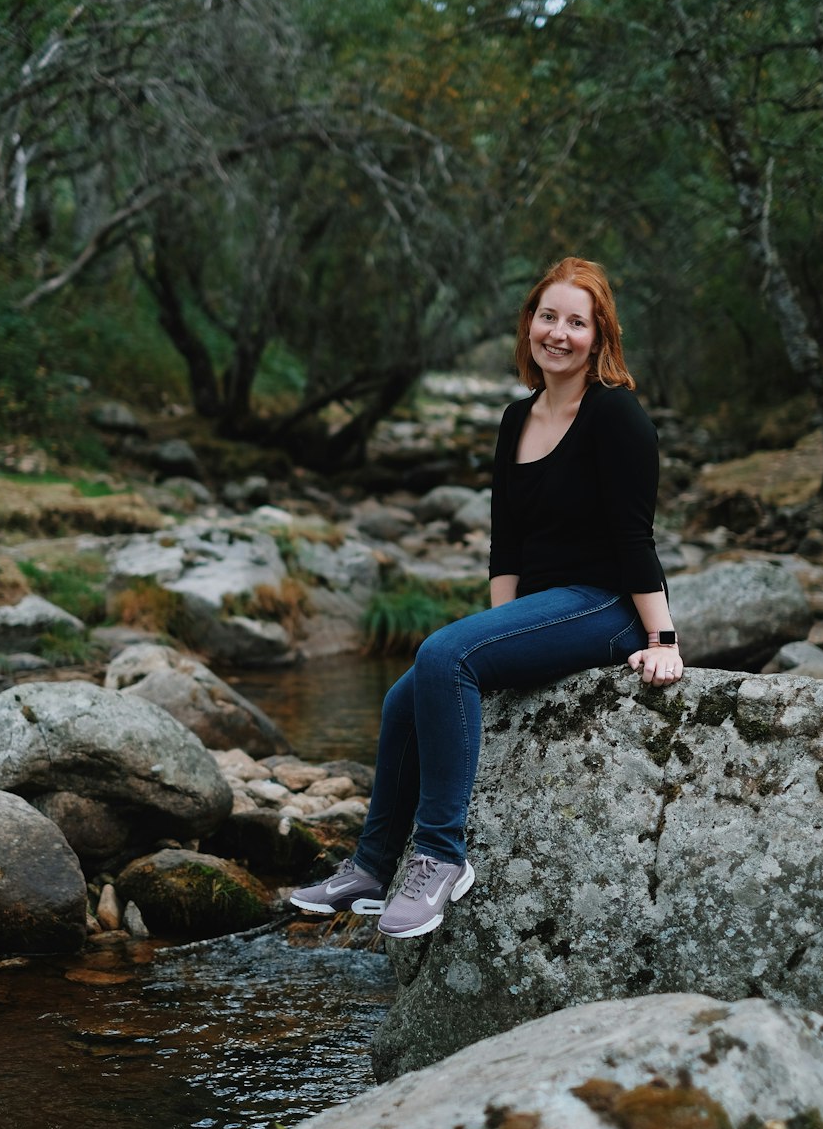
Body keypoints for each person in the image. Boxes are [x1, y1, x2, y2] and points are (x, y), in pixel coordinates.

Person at [289, 256, 683, 940]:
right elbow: (508, 544)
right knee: (407, 692)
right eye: (547, 316)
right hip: (547, 605)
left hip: (606, 606)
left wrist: (663, 642)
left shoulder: (617, 417)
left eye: (576, 322)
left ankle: (441, 855)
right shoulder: (516, 418)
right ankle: (372, 868)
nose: (558, 333)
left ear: (601, 335)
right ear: (529, 322)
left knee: (443, 652)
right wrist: (499, 637)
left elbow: (633, 538)